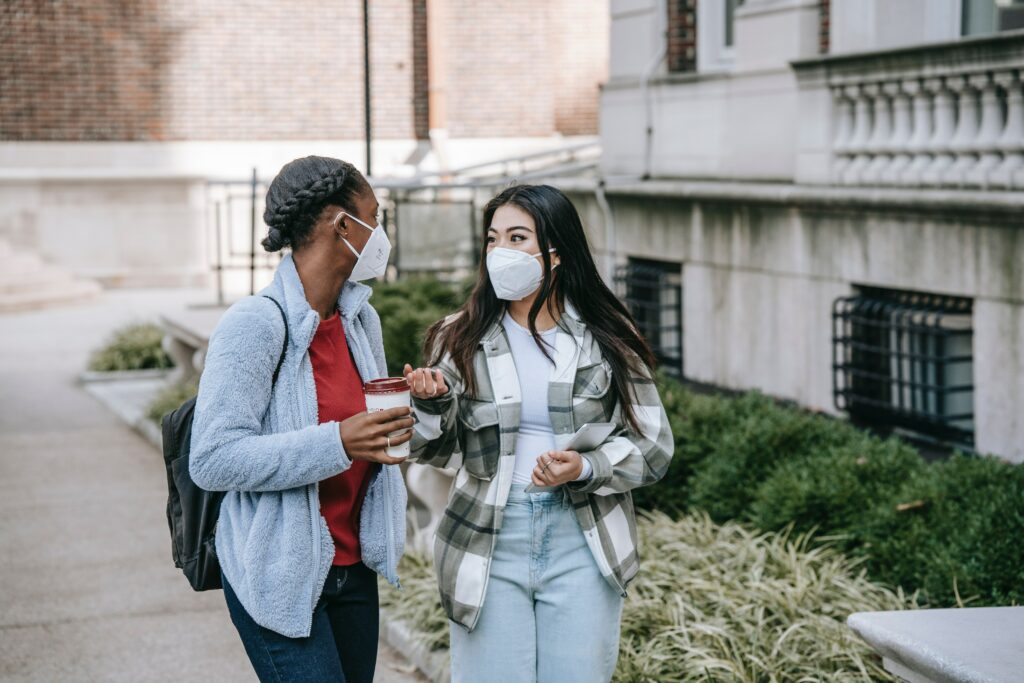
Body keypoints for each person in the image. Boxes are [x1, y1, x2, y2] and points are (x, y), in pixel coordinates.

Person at [403, 184, 675, 682]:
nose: (500, 251)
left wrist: (586, 466)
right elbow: (433, 451)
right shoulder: (458, 337)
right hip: (487, 536)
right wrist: (431, 404)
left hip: (582, 537)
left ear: (556, 253)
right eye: (493, 238)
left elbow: (654, 445)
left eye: (517, 237)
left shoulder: (608, 339)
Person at [189, 155, 412, 683]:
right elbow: (213, 458)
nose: (380, 232)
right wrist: (338, 441)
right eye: (374, 216)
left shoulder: (361, 319)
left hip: (354, 570)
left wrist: (417, 408)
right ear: (342, 224)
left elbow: (368, 438)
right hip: (280, 574)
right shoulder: (254, 324)